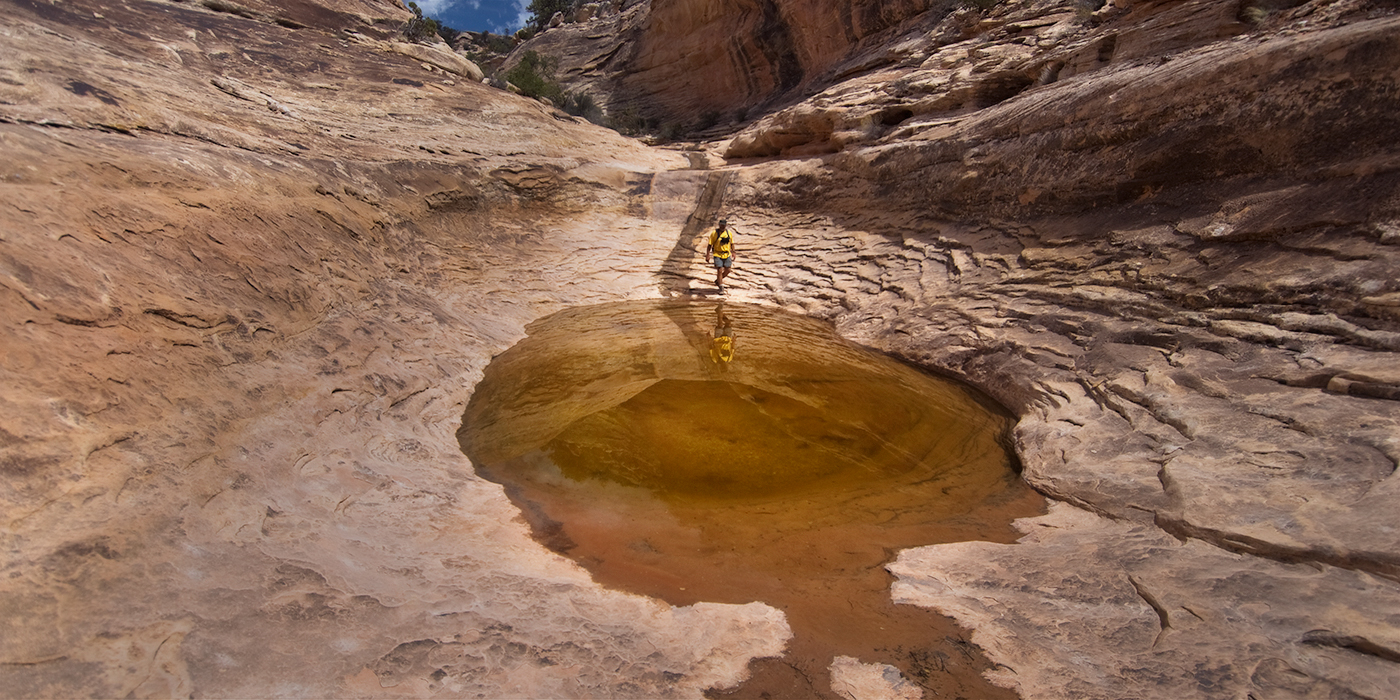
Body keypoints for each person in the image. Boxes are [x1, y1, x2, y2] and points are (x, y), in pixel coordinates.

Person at [705, 218, 737, 292]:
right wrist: (708, 255)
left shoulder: (729, 233)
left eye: (724, 225)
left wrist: (734, 252)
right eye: (721, 225)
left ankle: (718, 281)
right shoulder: (714, 233)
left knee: (728, 270)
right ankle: (721, 287)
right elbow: (710, 245)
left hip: (726, 254)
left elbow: (732, 243)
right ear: (719, 225)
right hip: (717, 254)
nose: (722, 227)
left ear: (726, 226)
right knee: (719, 270)